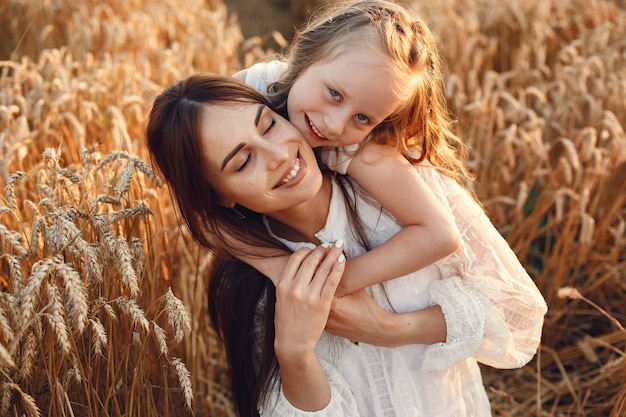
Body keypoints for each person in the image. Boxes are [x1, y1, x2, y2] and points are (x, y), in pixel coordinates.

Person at [145, 73, 548, 416]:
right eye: (242, 162)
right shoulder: (249, 287)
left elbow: (519, 315)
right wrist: (295, 353)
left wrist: (390, 330)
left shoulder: (402, 192)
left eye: (268, 125)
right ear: (219, 197)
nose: (278, 155)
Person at [232, 0, 466, 296]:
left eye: (363, 118)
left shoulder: (356, 147)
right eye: (334, 94)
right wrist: (271, 264)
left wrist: (335, 284)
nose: (335, 126)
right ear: (306, 54)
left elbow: (441, 234)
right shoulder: (253, 87)